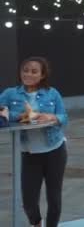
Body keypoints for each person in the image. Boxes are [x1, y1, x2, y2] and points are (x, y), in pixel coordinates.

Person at [0, 57, 68, 227]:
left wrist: (51, 117)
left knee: (54, 197)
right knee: (29, 199)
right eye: (25, 70)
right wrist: (21, 116)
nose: (28, 74)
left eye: (34, 71)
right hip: (29, 153)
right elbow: (2, 111)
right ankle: (36, 223)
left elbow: (64, 117)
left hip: (55, 149)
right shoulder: (10, 93)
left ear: (42, 75)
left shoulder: (53, 93)